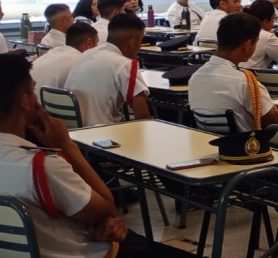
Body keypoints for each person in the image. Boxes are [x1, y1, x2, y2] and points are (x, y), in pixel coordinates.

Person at [0, 54, 195, 258]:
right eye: (32, 90)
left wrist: (98, 224)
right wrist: (67, 146)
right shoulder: (40, 167)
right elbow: (106, 208)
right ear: (25, 102)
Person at [189, 13, 278, 133]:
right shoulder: (244, 82)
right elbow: (273, 122)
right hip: (245, 148)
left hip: (209, 144)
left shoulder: (195, 77)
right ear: (247, 45)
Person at [66, 13, 152, 126]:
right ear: (132, 42)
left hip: (74, 131)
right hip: (103, 133)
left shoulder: (86, 54)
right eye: (141, 40)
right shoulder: (124, 64)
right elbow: (142, 115)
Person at [31, 22, 98, 98]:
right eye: (96, 43)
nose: (97, 47)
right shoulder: (81, 61)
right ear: (89, 43)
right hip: (40, 105)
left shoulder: (54, 52)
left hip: (25, 101)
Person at [240, 0, 278, 69]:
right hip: (256, 77)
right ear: (265, 21)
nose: (273, 23)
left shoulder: (240, 30)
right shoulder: (266, 37)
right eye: (274, 18)